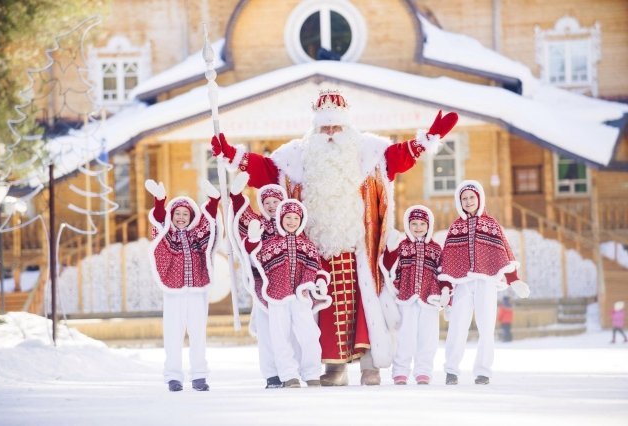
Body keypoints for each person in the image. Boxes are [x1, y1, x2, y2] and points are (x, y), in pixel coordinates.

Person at [211, 88, 458, 386]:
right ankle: (333, 367)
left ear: (347, 127)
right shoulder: (296, 156)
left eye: (335, 127)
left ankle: (370, 366)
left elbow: (398, 156)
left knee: (367, 307)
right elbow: (264, 169)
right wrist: (231, 155)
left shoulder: (368, 152)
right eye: (324, 127)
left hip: (360, 247)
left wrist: (428, 138)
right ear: (315, 128)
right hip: (314, 249)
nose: (329, 133)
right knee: (324, 311)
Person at [439, 180, 530, 385]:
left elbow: (502, 253)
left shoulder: (491, 224)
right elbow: (447, 261)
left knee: (486, 326)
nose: (468, 201)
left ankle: (483, 371)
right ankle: (452, 369)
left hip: (486, 282)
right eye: (464, 198)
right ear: (459, 202)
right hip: (463, 284)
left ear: (479, 198)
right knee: (457, 326)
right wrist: (447, 289)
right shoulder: (455, 227)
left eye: (472, 197)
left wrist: (513, 279)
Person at [244, 199, 332, 388]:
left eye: (295, 218)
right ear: (280, 219)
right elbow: (255, 261)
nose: (291, 221)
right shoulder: (271, 245)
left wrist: (321, 282)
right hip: (277, 296)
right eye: (287, 218)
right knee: (280, 336)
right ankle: (288, 374)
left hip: (301, 296)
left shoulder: (306, 245)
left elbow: (316, 267)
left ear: (301, 220)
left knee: (309, 334)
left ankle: (312, 372)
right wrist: (252, 242)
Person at [145, 178, 220, 392]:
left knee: (198, 333)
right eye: (177, 213)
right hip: (174, 290)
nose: (180, 218)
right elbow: (158, 221)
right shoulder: (165, 233)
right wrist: (160, 202)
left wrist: (214, 201)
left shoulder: (198, 234)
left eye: (185, 214)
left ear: (191, 216)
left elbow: (211, 224)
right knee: (173, 333)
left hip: (197, 290)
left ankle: (199, 375)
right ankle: (173, 376)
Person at [228, 171, 290, 389]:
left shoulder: (292, 222)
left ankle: (290, 371)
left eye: (276, 201)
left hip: (289, 286)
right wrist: (236, 196)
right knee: (266, 332)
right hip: (264, 284)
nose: (272, 205)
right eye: (268, 202)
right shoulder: (258, 223)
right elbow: (241, 217)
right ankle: (272, 374)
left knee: (288, 331)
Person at [380, 205, 449, 385]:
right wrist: (390, 248)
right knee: (406, 335)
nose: (418, 228)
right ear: (408, 225)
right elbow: (389, 266)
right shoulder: (402, 246)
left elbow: (442, 271)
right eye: (414, 224)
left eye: (422, 224)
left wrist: (445, 289)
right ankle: (400, 371)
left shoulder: (435, 248)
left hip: (430, 297)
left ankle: (423, 371)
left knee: (428, 336)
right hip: (407, 295)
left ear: (429, 225)